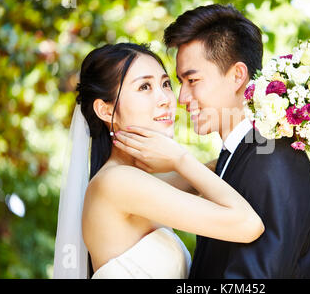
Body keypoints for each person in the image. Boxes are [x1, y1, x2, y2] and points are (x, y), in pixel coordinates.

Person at [52, 43, 264, 279]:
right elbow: (248, 225)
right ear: (104, 110)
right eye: (144, 86)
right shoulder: (116, 182)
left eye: (165, 84)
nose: (165, 99)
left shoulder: (138, 181)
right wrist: (179, 158)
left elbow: (220, 166)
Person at [161, 4, 310, 278]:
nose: (181, 98)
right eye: (180, 82)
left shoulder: (273, 159)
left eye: (192, 80)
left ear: (237, 75)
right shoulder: (237, 156)